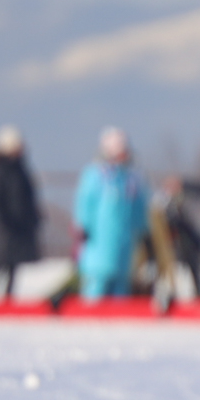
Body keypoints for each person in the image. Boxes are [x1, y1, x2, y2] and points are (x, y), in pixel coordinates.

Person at [74, 127, 149, 301]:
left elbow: (139, 208)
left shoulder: (132, 179)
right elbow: (85, 203)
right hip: (98, 244)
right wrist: (83, 226)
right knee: (96, 285)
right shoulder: (95, 176)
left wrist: (143, 229)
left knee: (120, 289)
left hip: (124, 246)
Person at [0, 125, 42, 301]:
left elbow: (27, 195)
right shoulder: (0, 170)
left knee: (14, 264)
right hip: (7, 223)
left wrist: (33, 217)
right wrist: (3, 219)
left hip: (21, 223)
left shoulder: (20, 168)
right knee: (2, 261)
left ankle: (8, 295)